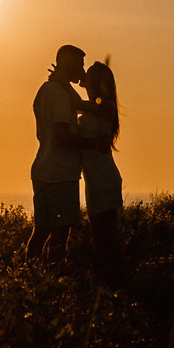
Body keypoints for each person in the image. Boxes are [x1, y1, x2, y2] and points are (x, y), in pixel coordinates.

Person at [27, 43, 86, 260]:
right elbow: (63, 137)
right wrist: (91, 142)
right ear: (68, 65)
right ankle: (55, 281)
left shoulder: (45, 90)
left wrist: (68, 85)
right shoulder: (60, 95)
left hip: (43, 168)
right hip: (60, 173)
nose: (82, 70)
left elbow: (80, 106)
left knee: (41, 230)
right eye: (80, 64)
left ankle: (30, 275)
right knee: (60, 233)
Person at [77, 58, 125, 279]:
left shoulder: (103, 105)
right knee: (102, 238)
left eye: (89, 72)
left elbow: (75, 104)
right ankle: (110, 283)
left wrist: (60, 81)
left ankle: (110, 284)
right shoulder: (96, 106)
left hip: (102, 178)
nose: (83, 73)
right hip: (96, 178)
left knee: (105, 239)